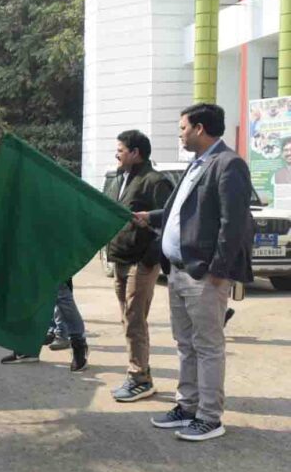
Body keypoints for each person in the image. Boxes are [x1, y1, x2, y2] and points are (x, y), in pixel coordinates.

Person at [134, 103, 253, 442]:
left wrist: (218, 270)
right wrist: (151, 216)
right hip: (178, 271)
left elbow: (234, 224)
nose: (180, 133)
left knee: (208, 346)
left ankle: (210, 417)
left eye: (183, 127)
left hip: (204, 275)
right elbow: (181, 212)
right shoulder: (196, 165)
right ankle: (187, 407)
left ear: (200, 128)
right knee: (185, 344)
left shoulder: (229, 165)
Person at [107, 130, 173, 402]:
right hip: (120, 258)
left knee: (134, 318)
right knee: (128, 318)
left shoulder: (155, 182)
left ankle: (139, 378)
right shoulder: (117, 180)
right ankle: (141, 372)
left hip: (141, 261)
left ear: (135, 152)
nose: (117, 154)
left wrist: (150, 259)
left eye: (121, 149)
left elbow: (170, 221)